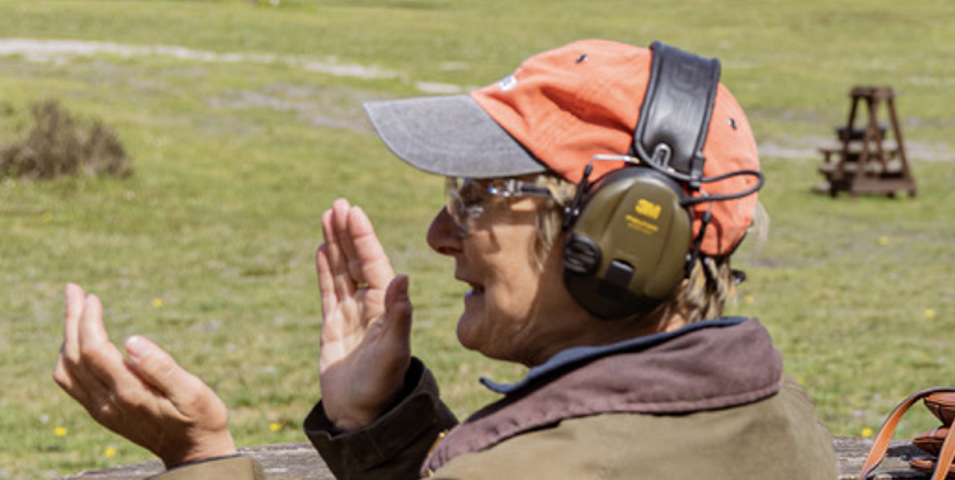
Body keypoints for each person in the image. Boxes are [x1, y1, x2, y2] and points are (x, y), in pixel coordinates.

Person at [53, 39, 838, 479]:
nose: (438, 233)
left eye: (478, 196)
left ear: (626, 235)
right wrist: (378, 424)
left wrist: (199, 457)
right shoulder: (779, 415)